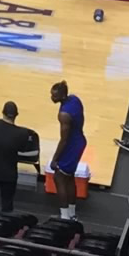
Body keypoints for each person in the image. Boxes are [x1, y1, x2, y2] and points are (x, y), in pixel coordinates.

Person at [0, 101, 33, 214]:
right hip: (8, 174)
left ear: (2, 112)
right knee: (7, 206)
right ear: (16, 115)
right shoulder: (22, 133)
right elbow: (23, 148)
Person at [49, 81, 86, 219]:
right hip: (80, 140)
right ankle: (72, 214)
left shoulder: (64, 115)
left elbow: (64, 140)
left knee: (59, 177)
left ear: (62, 96)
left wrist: (55, 159)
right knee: (69, 178)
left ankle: (65, 217)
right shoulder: (75, 99)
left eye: (54, 95)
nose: (51, 97)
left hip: (71, 146)